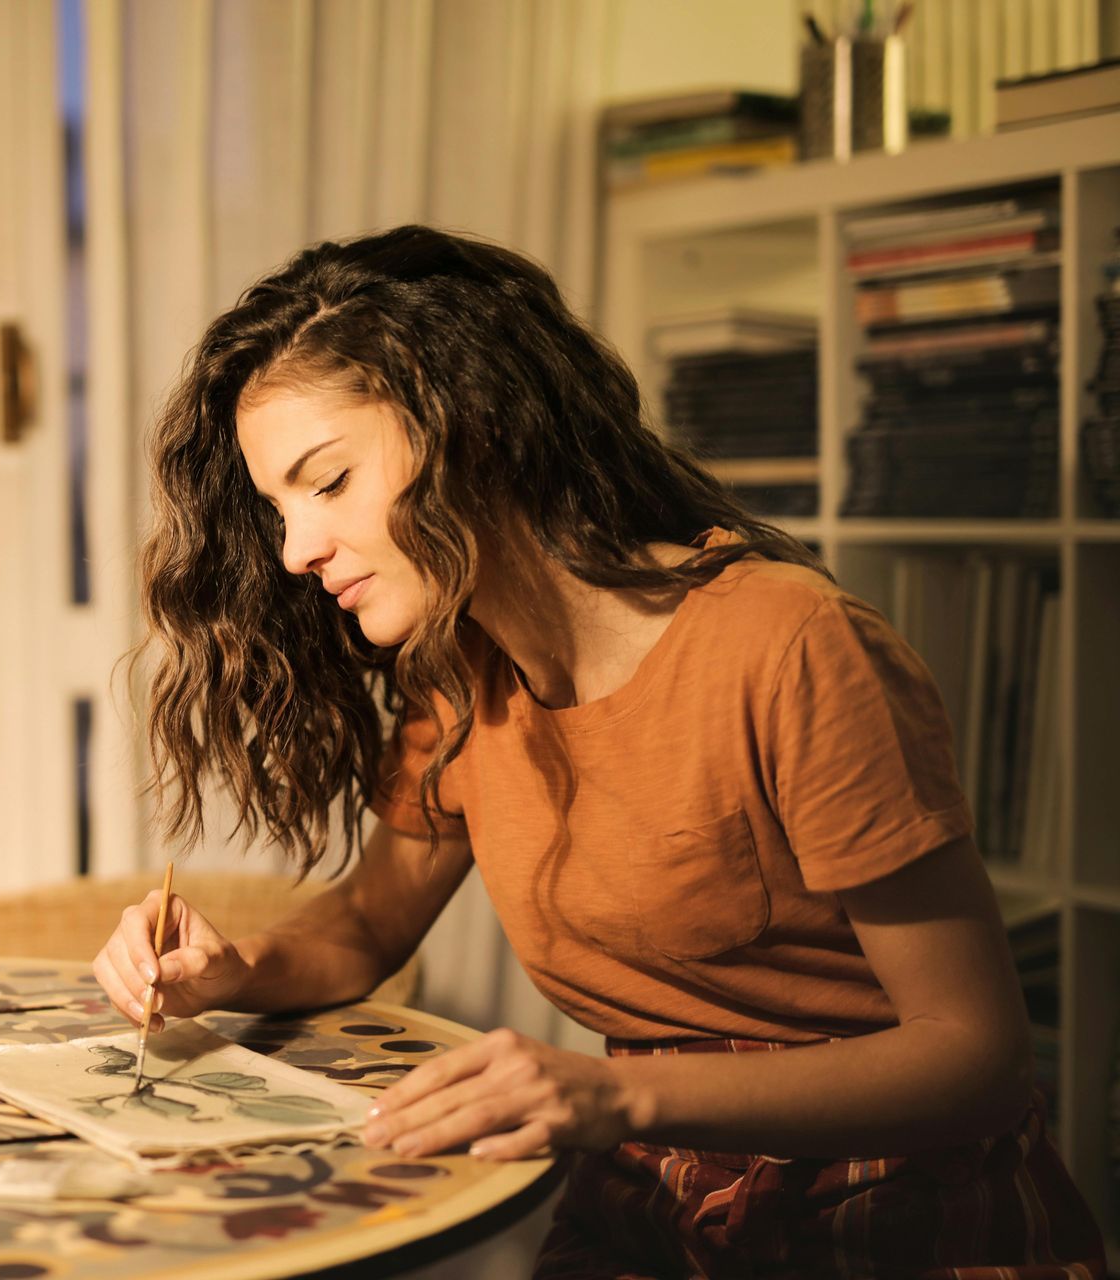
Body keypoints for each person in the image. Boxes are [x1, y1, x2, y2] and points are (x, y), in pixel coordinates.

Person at [91, 226, 1106, 1277]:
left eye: (329, 481)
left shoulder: (790, 645)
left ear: (468, 422)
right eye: (277, 508)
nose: (297, 550)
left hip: (891, 1210)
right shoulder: (459, 665)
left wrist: (612, 1090)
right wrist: (234, 969)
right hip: (653, 1199)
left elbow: (978, 1055)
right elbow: (365, 922)